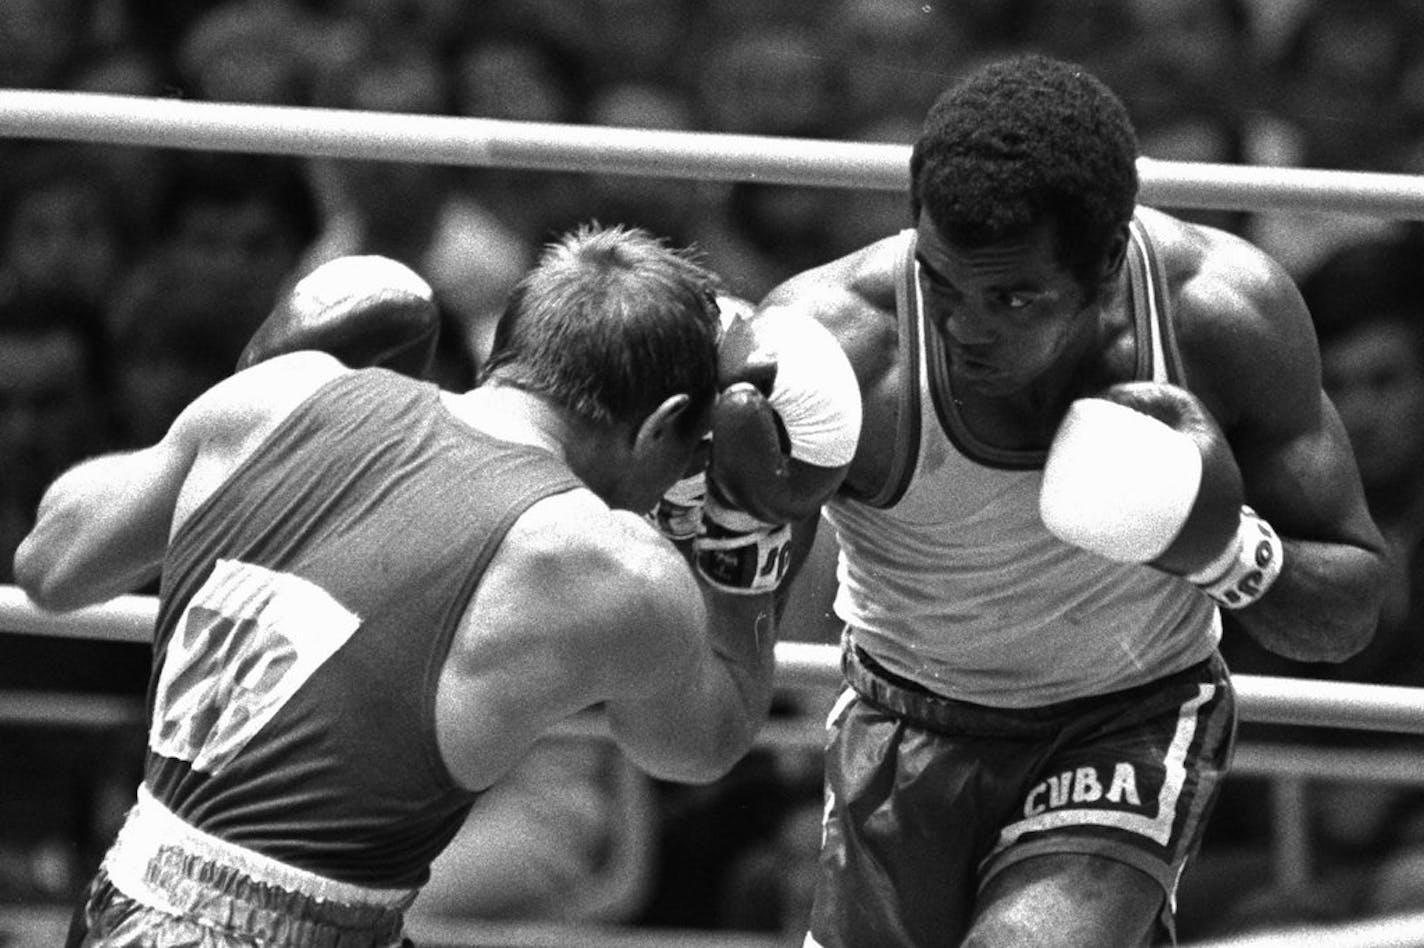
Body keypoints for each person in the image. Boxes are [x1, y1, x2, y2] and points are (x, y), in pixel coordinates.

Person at [728, 53, 1387, 946]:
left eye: (1013, 296)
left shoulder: (1221, 316)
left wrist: (1225, 550)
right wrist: (732, 529)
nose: (965, 329)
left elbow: (1349, 610)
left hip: (1129, 719)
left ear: (1109, 260)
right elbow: (708, 708)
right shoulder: (846, 347)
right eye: (941, 281)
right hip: (902, 722)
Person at [13, 225, 795, 947]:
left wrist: (243, 397)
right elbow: (696, 744)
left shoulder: (280, 397)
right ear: (661, 424)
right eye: (688, 452)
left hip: (123, 895)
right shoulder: (606, 561)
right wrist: (748, 529)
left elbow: (51, 564)